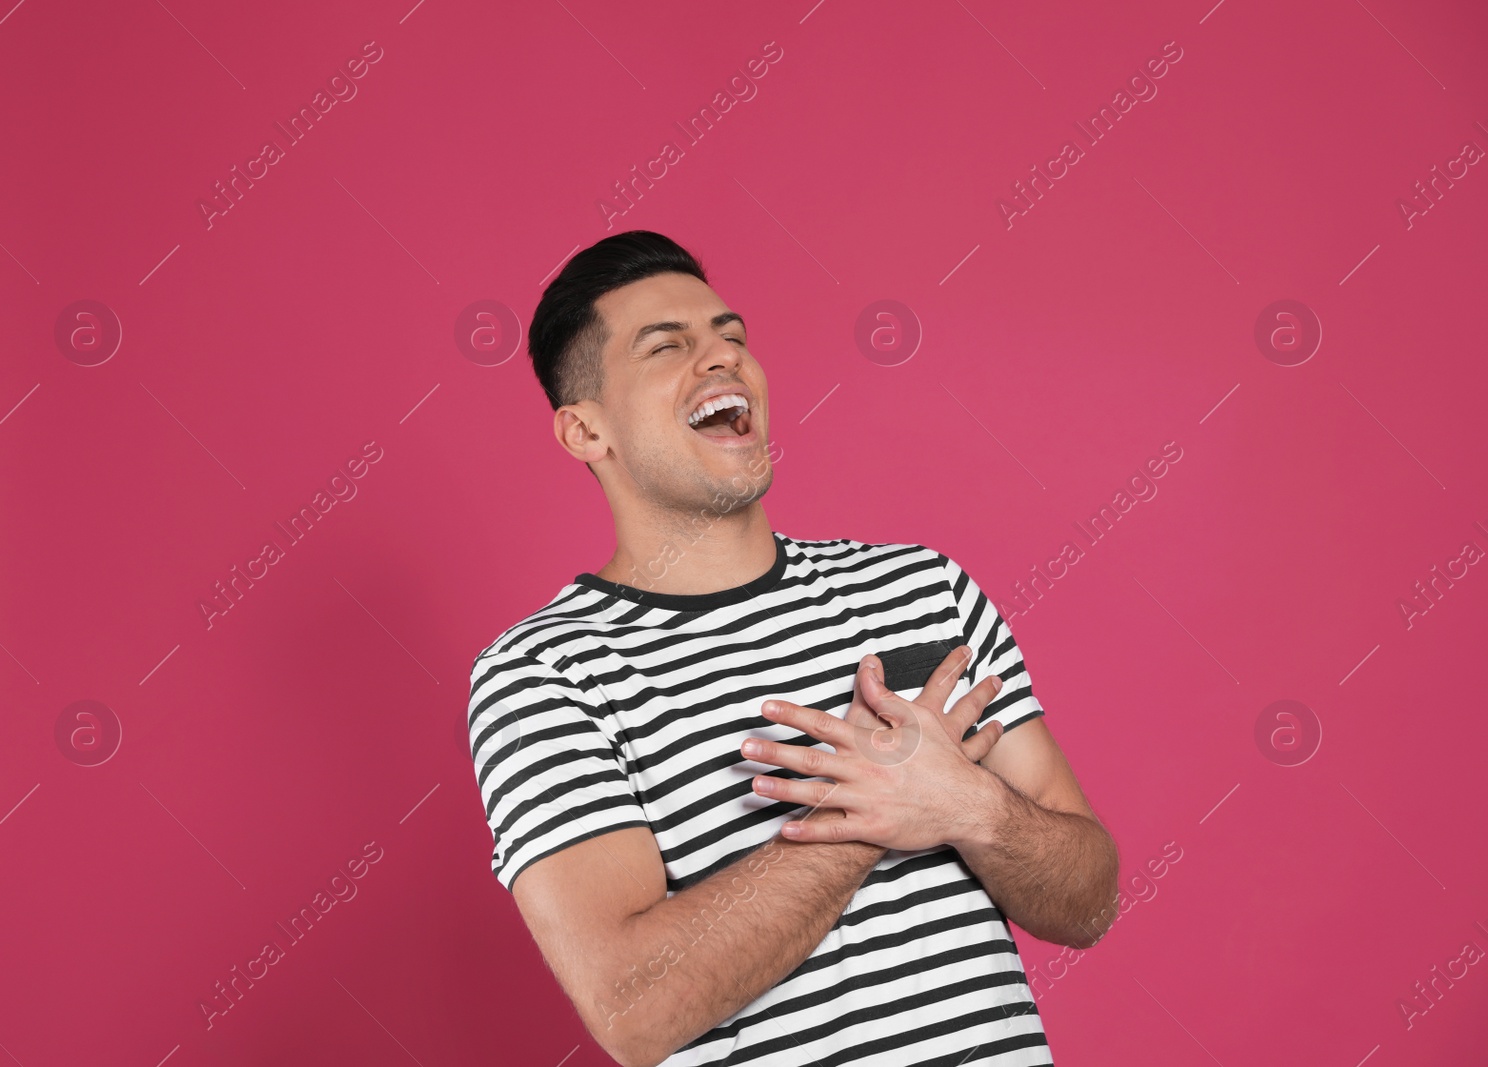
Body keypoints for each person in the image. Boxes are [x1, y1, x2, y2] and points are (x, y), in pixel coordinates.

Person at [465, 231, 1118, 1066]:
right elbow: (635, 1010)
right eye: (668, 346)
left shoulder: (922, 589)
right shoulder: (545, 675)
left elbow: (1090, 901)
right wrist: (870, 810)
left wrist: (971, 807)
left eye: (731, 337)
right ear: (586, 431)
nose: (721, 360)